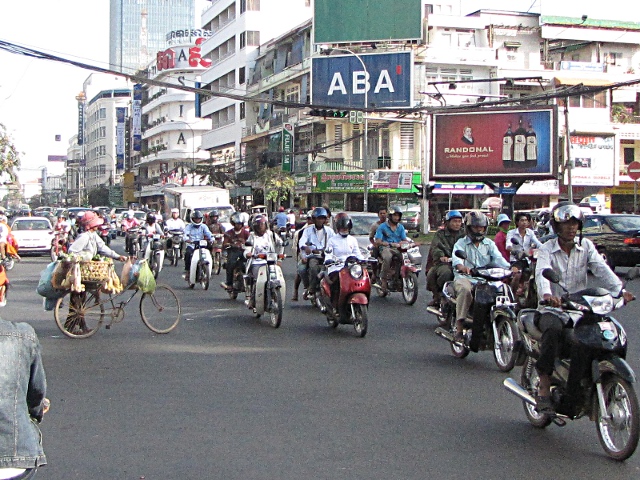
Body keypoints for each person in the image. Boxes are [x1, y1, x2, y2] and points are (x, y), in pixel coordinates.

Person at [533, 202, 634, 412]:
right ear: (556, 227)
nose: (571, 228)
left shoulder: (586, 246)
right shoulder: (546, 249)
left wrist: (619, 290)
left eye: (575, 224)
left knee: (598, 334)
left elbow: (601, 269)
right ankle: (544, 385)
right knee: (553, 331)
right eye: (566, 224)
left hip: (581, 308)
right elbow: (542, 273)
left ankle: (580, 385)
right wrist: (548, 295)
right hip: (553, 309)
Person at [451, 211, 512, 345]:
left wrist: (511, 268)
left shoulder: (489, 244)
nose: (479, 230)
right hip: (465, 278)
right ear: (468, 228)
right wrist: (462, 267)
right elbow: (456, 260)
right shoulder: (461, 243)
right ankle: (459, 328)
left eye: (482, 227)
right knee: (465, 290)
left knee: (503, 289)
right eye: (476, 227)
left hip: (485, 279)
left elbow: (498, 259)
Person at [0, 317, 48, 479]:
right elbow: (36, 394)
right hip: (15, 459)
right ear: (1, 292)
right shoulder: (22, 335)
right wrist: (38, 411)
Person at [324, 213, 364, 311]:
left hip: (351, 268)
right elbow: (328, 253)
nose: (344, 230)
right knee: (336, 283)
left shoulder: (353, 240)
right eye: (342, 228)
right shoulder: (332, 240)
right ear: (338, 228)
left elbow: (357, 253)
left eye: (346, 228)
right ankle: (334, 306)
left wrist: (364, 259)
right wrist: (329, 260)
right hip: (336, 267)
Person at [244, 214, 284, 308]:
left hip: (270, 262)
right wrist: (248, 254)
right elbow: (247, 248)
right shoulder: (252, 236)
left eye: (262, 225)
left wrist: (280, 259)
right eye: (258, 226)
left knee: (277, 277)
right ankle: (253, 300)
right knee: (258, 280)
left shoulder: (271, 235)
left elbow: (281, 244)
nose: (261, 227)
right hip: (256, 262)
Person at [426, 210, 465, 307]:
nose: (457, 224)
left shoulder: (464, 234)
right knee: (445, 273)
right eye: (454, 221)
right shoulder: (440, 234)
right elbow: (436, 247)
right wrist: (441, 256)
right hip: (445, 263)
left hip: (463, 262)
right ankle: (440, 296)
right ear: (447, 222)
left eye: (459, 221)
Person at [298, 207, 334, 298]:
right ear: (314, 219)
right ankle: (310, 289)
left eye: (322, 218)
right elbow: (302, 241)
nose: (320, 220)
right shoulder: (308, 230)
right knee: (311, 268)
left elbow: (335, 241)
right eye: (318, 218)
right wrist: (305, 247)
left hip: (327, 256)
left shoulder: (330, 231)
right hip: (313, 256)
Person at [374, 206, 408, 292]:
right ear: (390, 216)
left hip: (397, 248)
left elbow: (404, 239)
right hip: (386, 248)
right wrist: (387, 243)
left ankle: (400, 277)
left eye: (398, 216)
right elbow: (378, 241)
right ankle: (384, 280)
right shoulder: (382, 227)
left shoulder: (401, 227)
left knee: (406, 257)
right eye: (395, 215)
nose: (397, 218)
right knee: (387, 257)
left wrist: (404, 243)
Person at [220, 212, 250, 291]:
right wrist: (231, 245)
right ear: (233, 223)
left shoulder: (246, 233)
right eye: (237, 224)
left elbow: (251, 241)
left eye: (240, 224)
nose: (238, 225)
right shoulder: (228, 233)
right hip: (233, 251)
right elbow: (225, 243)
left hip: (244, 251)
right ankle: (229, 283)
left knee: (250, 262)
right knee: (231, 263)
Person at [290, 211, 314, 301]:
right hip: (304, 255)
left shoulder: (324, 230)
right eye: (311, 219)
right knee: (300, 270)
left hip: (320, 256)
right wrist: (302, 257)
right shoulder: (301, 232)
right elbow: (298, 247)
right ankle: (297, 291)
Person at [183, 211, 213, 279]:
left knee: (210, 250)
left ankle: (211, 266)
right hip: (192, 245)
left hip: (201, 245)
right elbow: (185, 235)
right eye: (196, 219)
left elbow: (208, 233)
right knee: (188, 254)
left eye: (199, 219)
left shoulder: (203, 226)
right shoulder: (189, 226)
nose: (197, 220)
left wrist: (211, 238)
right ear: (192, 219)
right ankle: (188, 271)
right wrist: (187, 239)